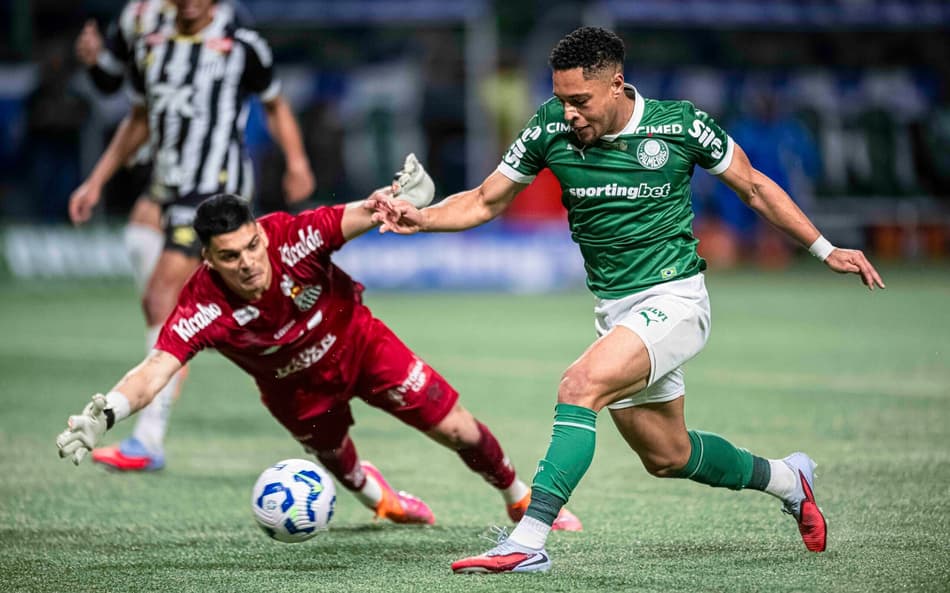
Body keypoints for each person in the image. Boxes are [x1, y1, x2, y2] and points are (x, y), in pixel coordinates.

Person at [371, 27, 885, 573]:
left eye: (579, 101)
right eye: (561, 99)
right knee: (669, 456)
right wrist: (421, 218)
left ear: (616, 84)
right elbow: (483, 200)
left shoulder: (680, 124)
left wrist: (824, 248)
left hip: (676, 300)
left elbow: (753, 186)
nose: (567, 113)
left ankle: (528, 540)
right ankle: (789, 478)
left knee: (579, 385)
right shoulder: (549, 126)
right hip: (616, 311)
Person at [55, 159, 582, 531]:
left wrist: (398, 200)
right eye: (231, 256)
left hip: (361, 346)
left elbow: (364, 213)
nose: (249, 261)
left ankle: (518, 499)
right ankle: (383, 501)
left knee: (457, 428)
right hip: (297, 394)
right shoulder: (201, 306)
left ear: (261, 232)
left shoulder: (293, 236)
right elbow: (155, 369)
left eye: (252, 245)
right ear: (209, 260)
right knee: (345, 471)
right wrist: (106, 413)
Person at [68, 0, 315, 472]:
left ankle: (148, 439)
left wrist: (298, 162)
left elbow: (276, 103)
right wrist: (96, 181)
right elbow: (138, 118)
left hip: (213, 191)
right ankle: (198, 329)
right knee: (148, 261)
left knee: (161, 299)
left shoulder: (241, 42)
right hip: (165, 185)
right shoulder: (153, 42)